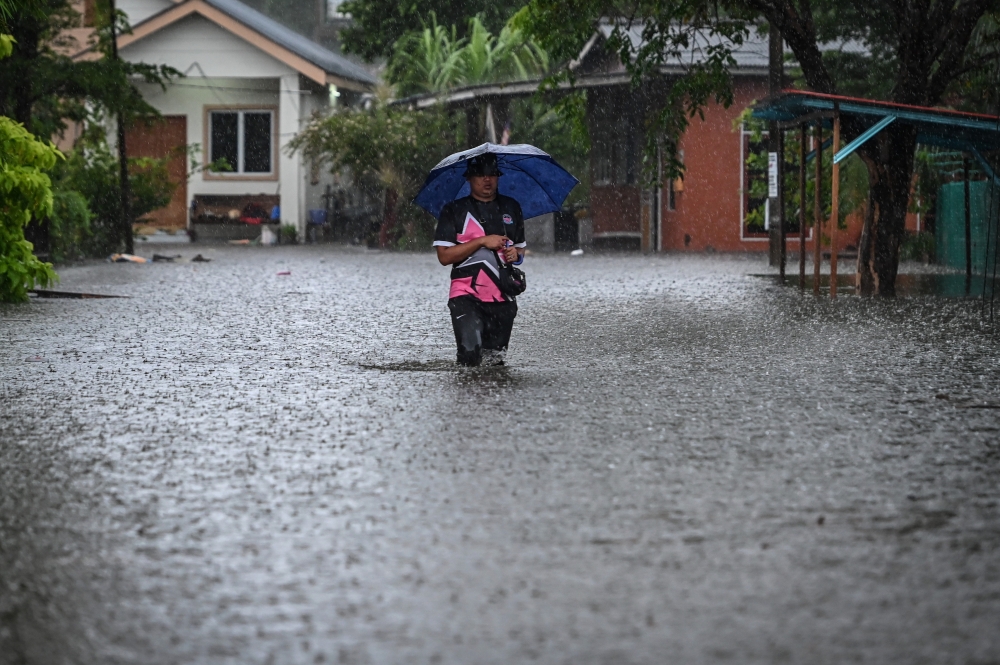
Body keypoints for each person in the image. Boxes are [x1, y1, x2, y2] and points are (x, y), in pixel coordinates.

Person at [433, 153, 526, 366]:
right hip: (466, 295)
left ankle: (494, 400)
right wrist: (481, 241)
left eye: (492, 174)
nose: (487, 179)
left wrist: (516, 256)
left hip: (503, 298)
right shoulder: (453, 210)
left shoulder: (512, 207)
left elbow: (519, 252)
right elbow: (444, 257)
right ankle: (467, 398)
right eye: (481, 175)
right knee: (470, 357)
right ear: (469, 179)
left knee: (494, 363)